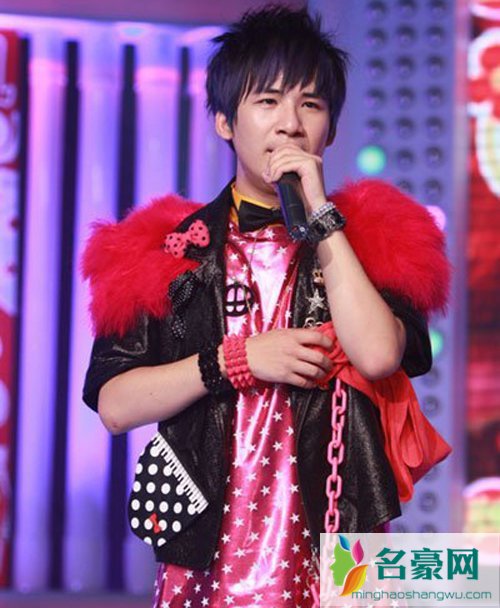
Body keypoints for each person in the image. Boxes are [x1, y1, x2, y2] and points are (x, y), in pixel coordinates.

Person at [82, 5, 451, 607]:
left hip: (336, 544)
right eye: (268, 101)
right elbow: (115, 406)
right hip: (206, 553)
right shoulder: (161, 250)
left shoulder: (380, 240)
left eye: (311, 104)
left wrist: (322, 219)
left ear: (331, 128)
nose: (290, 125)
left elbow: (380, 355)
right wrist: (236, 360)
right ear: (225, 121)